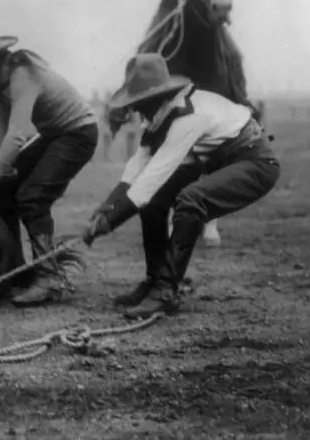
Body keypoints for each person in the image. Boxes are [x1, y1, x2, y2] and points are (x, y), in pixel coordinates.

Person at [81, 54, 280, 319]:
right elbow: (134, 170)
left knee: (191, 199)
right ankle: (155, 280)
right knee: (153, 204)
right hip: (217, 159)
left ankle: (165, 291)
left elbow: (153, 176)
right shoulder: (160, 117)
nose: (138, 111)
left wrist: (111, 221)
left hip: (255, 161)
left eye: (140, 103)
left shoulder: (188, 118)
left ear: (157, 97)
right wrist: (106, 210)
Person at [0, 21, 99, 307]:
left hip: (78, 133)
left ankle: (50, 278)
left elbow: (18, 134)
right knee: (1, 189)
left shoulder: (22, 75)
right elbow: (2, 130)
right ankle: (15, 272)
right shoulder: (0, 82)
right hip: (54, 134)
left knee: (32, 197)